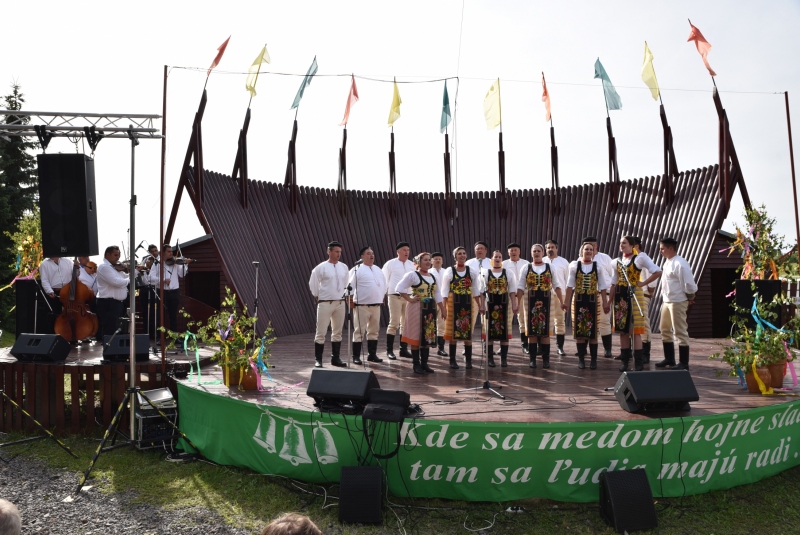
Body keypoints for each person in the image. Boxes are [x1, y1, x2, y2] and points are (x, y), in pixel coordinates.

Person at [610, 235, 662, 372]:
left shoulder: (640, 258)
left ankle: (638, 362)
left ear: (632, 245)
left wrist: (643, 283)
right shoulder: (616, 261)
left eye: (625, 243)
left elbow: (657, 271)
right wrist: (608, 301)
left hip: (635, 294)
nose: (622, 245)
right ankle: (625, 361)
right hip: (620, 295)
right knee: (623, 330)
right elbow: (614, 282)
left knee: (636, 330)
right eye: (621, 243)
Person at [396, 252, 446, 374]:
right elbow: (399, 287)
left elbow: (437, 294)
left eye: (429, 260)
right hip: (416, 308)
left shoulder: (432, 276)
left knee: (427, 335)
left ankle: (424, 364)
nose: (428, 262)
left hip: (429, 309)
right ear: (419, 262)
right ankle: (416, 364)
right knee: (416, 335)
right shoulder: (413, 275)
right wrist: (410, 299)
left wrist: (443, 309)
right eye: (425, 260)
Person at [563, 242, 611, 369]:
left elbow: (602, 287)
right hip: (578, 300)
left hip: (593, 300)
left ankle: (593, 360)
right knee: (580, 330)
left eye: (591, 249)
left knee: (593, 331)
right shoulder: (575, 266)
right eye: (586, 249)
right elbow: (569, 286)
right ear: (581, 252)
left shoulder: (598, 266)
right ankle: (581, 360)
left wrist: (606, 304)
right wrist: (566, 302)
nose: (589, 251)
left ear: (593, 252)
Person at [517, 244, 563, 369]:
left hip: (547, 300)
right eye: (534, 251)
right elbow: (520, 286)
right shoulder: (526, 268)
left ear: (543, 253)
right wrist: (517, 304)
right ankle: (532, 359)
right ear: (531, 253)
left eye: (539, 251)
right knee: (532, 332)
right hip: (530, 301)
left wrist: (562, 302)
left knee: (545, 331)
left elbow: (557, 285)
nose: (536, 253)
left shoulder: (550, 267)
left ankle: (546, 359)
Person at [657, 237, 698, 370]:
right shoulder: (667, 262)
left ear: (670, 248)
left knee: (680, 331)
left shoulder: (680, 263)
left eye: (662, 248)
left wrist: (690, 295)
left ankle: (684, 363)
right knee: (664, 329)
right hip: (667, 300)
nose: (660, 251)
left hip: (678, 301)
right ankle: (669, 359)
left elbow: (689, 282)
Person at [441, 246, 484, 369]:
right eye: (459, 253)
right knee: (452, 332)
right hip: (453, 302)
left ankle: (468, 361)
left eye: (464, 253)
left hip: (468, 303)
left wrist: (480, 305)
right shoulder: (449, 271)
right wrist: (443, 308)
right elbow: (444, 291)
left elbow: (476, 290)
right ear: (455, 257)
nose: (462, 255)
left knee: (467, 332)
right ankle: (452, 360)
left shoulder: (472, 271)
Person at [308, 241, 350, 368]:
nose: (339, 254)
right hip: (325, 302)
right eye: (336, 251)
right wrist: (317, 295)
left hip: (340, 302)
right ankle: (318, 359)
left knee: (337, 331)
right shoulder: (321, 267)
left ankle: (335, 358)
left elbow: (347, 283)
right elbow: (313, 282)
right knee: (321, 331)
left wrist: (346, 296)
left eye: (340, 252)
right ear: (329, 251)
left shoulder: (343, 267)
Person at [348, 246, 386, 365]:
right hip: (362, 306)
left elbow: (384, 284)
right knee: (359, 331)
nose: (371, 255)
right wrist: (349, 301)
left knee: (374, 331)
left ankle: (372, 355)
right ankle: (356, 356)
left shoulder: (378, 269)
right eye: (368, 253)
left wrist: (381, 296)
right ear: (362, 256)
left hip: (376, 306)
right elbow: (349, 287)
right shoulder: (357, 269)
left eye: (372, 253)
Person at [484, 250, 519, 367]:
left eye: (499, 257)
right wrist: (481, 306)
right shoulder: (486, 273)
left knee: (504, 331)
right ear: (492, 260)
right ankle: (490, 358)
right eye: (495, 257)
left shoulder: (508, 273)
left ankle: (504, 358)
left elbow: (512, 291)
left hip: (505, 305)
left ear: (502, 259)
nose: (497, 259)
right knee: (490, 331)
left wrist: (514, 304)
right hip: (490, 305)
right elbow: (481, 291)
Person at [582, 237, 615, 357]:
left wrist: (608, 298)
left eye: (591, 246)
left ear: (596, 246)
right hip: (586, 295)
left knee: (604, 321)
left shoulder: (604, 257)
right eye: (586, 247)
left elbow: (613, 276)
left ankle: (607, 349)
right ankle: (583, 348)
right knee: (585, 320)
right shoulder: (579, 261)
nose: (589, 250)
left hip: (603, 294)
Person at [147, 245, 192, 334]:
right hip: (162, 292)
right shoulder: (157, 263)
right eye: (169, 252)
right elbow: (150, 278)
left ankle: (174, 336)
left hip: (174, 291)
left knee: (173, 315)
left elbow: (182, 274)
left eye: (171, 251)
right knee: (160, 315)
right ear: (163, 252)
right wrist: (163, 280)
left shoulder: (175, 262)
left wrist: (185, 264)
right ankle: (160, 337)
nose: (171, 253)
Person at [382, 241, 415, 360]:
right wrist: (382, 295)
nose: (407, 252)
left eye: (408, 250)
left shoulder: (412, 265)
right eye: (404, 250)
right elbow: (384, 280)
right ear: (398, 252)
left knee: (405, 324)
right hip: (394, 296)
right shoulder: (390, 264)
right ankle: (389, 351)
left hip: (408, 297)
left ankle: (403, 349)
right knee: (394, 322)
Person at [95, 245, 132, 340]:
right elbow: (117, 282)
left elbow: (124, 277)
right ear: (108, 255)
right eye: (115, 255)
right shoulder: (104, 267)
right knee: (110, 329)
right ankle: (109, 352)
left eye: (119, 255)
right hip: (108, 303)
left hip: (116, 303)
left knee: (117, 329)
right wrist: (131, 278)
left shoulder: (114, 268)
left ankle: (115, 352)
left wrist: (134, 272)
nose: (118, 257)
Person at [633, 237, 659, 363]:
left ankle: (645, 353)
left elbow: (654, 273)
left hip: (642, 295)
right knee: (634, 323)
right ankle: (635, 351)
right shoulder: (630, 259)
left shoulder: (642, 257)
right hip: (632, 296)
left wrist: (650, 289)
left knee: (643, 323)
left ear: (636, 246)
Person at [544, 239, 570, 356]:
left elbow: (568, 280)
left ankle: (560, 347)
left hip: (560, 294)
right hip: (545, 295)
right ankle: (543, 347)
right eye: (548, 247)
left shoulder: (564, 262)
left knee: (560, 320)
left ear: (557, 248)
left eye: (552, 247)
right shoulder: (542, 261)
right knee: (544, 320)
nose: (550, 249)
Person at [502, 242, 528, 354]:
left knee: (523, 320)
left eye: (515, 250)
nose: (513, 252)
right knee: (506, 321)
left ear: (519, 251)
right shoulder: (504, 264)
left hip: (523, 295)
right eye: (511, 250)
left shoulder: (526, 263)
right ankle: (503, 346)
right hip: (509, 296)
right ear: (508, 252)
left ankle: (525, 345)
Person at [466, 241, 492, 346]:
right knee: (470, 320)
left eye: (482, 248)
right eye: (477, 249)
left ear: (486, 251)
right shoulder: (468, 263)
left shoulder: (491, 262)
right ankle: (467, 344)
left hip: (487, 295)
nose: (479, 250)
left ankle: (486, 344)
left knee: (486, 320)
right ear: (474, 251)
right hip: (472, 295)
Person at [39, 256, 75, 328]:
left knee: (71, 314)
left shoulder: (68, 261)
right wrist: (50, 291)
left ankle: (71, 334)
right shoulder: (45, 264)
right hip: (55, 292)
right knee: (54, 315)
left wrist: (77, 268)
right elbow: (44, 280)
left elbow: (76, 275)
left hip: (67, 292)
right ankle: (54, 334)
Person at [140, 244, 160, 338]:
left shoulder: (160, 261)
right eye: (152, 251)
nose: (154, 253)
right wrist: (145, 267)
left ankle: (155, 333)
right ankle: (146, 332)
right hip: (144, 288)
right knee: (145, 311)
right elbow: (140, 271)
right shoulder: (145, 260)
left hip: (155, 288)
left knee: (155, 312)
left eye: (155, 251)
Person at [431, 252, 448, 356]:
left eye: (439, 259)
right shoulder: (428, 272)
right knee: (429, 324)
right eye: (435, 259)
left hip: (443, 302)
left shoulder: (446, 271)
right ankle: (427, 347)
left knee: (442, 326)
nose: (438, 260)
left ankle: (441, 348)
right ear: (432, 261)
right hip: (431, 302)